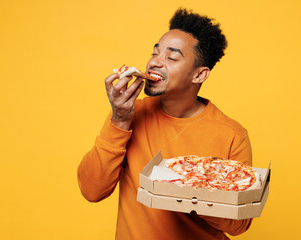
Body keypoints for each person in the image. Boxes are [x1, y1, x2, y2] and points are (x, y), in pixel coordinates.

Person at [78, 8, 253, 240]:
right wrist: (119, 119)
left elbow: (239, 225)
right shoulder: (130, 114)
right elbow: (92, 190)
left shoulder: (231, 134)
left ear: (199, 75)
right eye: (154, 53)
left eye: (171, 58)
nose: (155, 63)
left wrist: (189, 188)